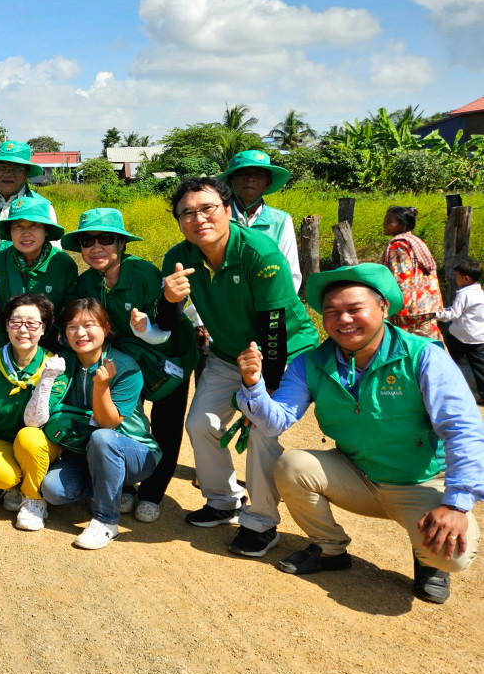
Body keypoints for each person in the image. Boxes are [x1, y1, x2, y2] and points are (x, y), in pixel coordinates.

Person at [237, 263, 482, 604]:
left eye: (354, 309)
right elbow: (275, 421)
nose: (343, 320)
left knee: (451, 554)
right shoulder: (311, 362)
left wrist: (456, 504)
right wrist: (253, 385)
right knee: (292, 466)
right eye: (332, 312)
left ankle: (428, 563)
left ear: (383, 307)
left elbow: (464, 429)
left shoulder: (423, 357)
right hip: (356, 474)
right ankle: (330, 550)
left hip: (418, 482)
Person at [158, 177, 319, 558]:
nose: (198, 218)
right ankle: (223, 500)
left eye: (207, 208)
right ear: (179, 221)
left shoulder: (258, 252)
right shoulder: (179, 258)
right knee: (200, 423)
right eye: (187, 213)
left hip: (285, 354)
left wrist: (258, 394)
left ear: (228, 210)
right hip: (228, 354)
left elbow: (275, 329)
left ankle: (261, 522)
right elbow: (166, 321)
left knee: (263, 430)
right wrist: (168, 298)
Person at [65, 208, 197, 524]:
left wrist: (146, 325)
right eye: (87, 241)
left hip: (169, 360)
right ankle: (125, 484)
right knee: (125, 421)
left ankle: (152, 493)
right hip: (123, 361)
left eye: (106, 239)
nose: (96, 247)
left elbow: (168, 322)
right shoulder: (86, 284)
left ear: (122, 243)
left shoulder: (144, 275)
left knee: (166, 426)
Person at [40, 299, 159, 550]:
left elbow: (108, 423)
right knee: (53, 490)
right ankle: (108, 486)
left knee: (102, 438)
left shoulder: (125, 367)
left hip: (134, 452)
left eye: (89, 325)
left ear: (105, 328)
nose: (80, 333)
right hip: (83, 450)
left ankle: (106, 521)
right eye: (72, 327)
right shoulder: (62, 363)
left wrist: (101, 386)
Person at [0, 294, 66, 531]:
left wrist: (45, 381)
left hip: (39, 444)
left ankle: (34, 499)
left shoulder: (55, 367)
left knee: (29, 437)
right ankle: (14, 485)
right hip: (0, 438)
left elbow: (37, 421)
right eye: (16, 322)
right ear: (6, 326)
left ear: (43, 328)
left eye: (32, 323)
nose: (23, 330)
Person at [0, 196, 78, 342]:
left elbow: (69, 311)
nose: (26, 233)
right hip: (8, 342)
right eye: (18, 226)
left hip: (51, 344)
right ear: (10, 232)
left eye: (34, 225)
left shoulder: (64, 264)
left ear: (46, 230)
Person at [218, 150, 300, 291]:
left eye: (258, 174)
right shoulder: (216, 216)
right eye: (243, 173)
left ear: (267, 184)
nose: (250, 178)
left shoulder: (280, 221)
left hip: (266, 299)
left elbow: (290, 272)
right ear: (231, 182)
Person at [381, 205, 445, 342]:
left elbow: (402, 279)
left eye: (389, 222)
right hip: (427, 305)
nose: (384, 225)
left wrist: (398, 309)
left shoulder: (398, 245)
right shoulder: (415, 241)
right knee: (432, 344)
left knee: (406, 346)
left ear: (403, 225)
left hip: (409, 310)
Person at [437, 258, 484, 403]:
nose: (456, 280)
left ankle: (442, 388)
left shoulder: (464, 294)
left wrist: (436, 314)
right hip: (477, 337)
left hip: (459, 336)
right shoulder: (480, 293)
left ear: (466, 278)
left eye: (457, 277)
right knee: (480, 367)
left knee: (448, 360)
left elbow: (453, 314)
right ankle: (482, 394)